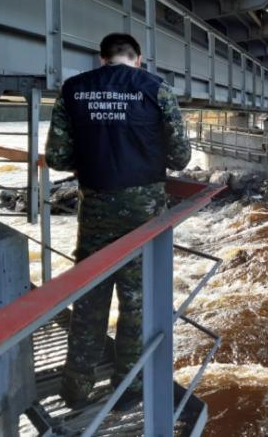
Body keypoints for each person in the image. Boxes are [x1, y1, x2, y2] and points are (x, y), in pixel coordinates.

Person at [46, 33, 191, 410]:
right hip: (144, 214)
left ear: (102, 58)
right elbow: (179, 158)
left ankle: (76, 389)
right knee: (136, 301)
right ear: (137, 59)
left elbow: (58, 157)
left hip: (94, 208)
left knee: (90, 298)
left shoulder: (74, 89)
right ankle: (129, 388)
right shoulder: (157, 90)